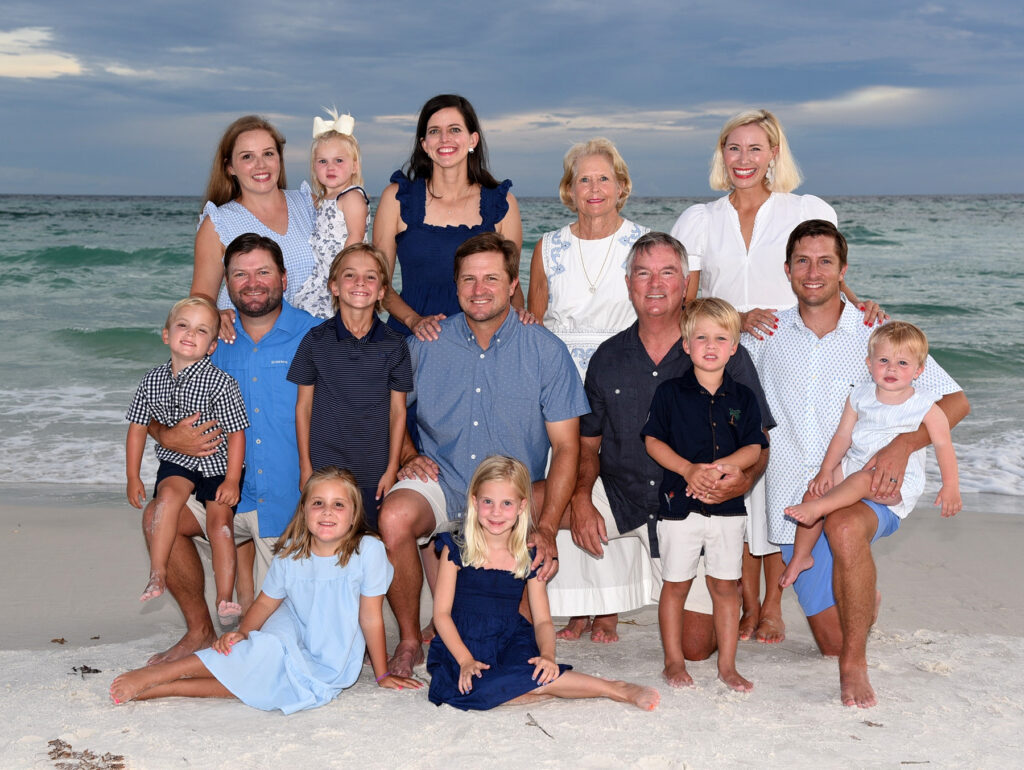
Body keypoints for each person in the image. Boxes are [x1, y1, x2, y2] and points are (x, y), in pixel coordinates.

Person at [670, 108, 884, 645]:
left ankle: (771, 607)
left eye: (755, 149)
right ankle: (746, 603)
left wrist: (864, 311)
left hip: (786, 352)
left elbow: (824, 270)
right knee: (742, 479)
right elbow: (688, 301)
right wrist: (734, 322)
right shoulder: (700, 218)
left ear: (773, 154)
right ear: (721, 155)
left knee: (780, 468)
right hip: (727, 356)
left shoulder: (805, 208)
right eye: (733, 148)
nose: (743, 160)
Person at [742, 219, 969, 708]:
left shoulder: (875, 332)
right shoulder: (766, 333)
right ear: (787, 270)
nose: (813, 271)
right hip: (793, 504)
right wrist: (736, 319)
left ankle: (856, 666)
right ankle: (859, 605)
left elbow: (955, 402)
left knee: (845, 529)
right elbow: (702, 348)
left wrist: (904, 444)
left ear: (843, 270)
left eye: (826, 261)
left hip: (872, 487)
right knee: (829, 640)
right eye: (802, 260)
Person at [378, 232, 589, 677]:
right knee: (394, 517)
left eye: (492, 278)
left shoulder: (544, 350)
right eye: (469, 280)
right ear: (455, 286)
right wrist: (408, 453)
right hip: (446, 478)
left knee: (577, 498)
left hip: (512, 492)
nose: (479, 289)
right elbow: (389, 407)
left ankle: (514, 615)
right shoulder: (428, 342)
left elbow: (568, 446)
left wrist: (547, 525)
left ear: (513, 284)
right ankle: (411, 639)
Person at [564, 232, 775, 658]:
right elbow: (587, 445)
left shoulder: (723, 353)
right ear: (628, 284)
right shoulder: (608, 357)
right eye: (643, 273)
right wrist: (583, 498)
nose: (655, 284)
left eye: (667, 273)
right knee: (522, 508)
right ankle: (509, 620)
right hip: (621, 497)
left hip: (693, 507)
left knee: (697, 649)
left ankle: (694, 584)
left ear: (685, 283)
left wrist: (742, 482)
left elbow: (761, 441)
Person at [109, 467, 422, 711]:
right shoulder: (292, 552)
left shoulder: (367, 551)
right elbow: (265, 604)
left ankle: (166, 689)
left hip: (331, 648)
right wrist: (243, 632)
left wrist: (381, 674)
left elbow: (370, 617)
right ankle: (157, 675)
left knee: (273, 683)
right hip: (290, 626)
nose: (327, 512)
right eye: (318, 503)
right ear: (305, 511)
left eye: (338, 505)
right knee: (260, 651)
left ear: (353, 515)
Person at [144, 233, 319, 666]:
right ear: (226, 282)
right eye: (240, 274)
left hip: (287, 504)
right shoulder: (210, 337)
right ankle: (199, 630)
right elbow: (152, 403)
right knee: (157, 516)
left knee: (275, 646)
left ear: (282, 276)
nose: (252, 282)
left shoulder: (314, 335)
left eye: (263, 272)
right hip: (217, 493)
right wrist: (165, 435)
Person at [526, 137, 652, 642]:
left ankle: (610, 607)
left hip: (622, 371)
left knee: (607, 481)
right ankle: (575, 606)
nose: (594, 188)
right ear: (569, 190)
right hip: (560, 373)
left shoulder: (643, 243)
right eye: (584, 179)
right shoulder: (548, 246)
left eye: (604, 178)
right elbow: (534, 320)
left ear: (621, 187)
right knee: (563, 475)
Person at [427, 456, 660, 711]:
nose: (496, 512)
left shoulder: (528, 555)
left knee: (538, 674)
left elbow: (542, 621)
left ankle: (616, 689)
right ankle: (528, 689)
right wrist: (465, 660)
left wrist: (548, 656)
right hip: (461, 642)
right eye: (488, 502)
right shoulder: (457, 548)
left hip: (509, 640)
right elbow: (441, 615)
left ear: (521, 507)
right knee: (467, 690)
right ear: (474, 502)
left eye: (506, 503)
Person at [641, 298, 768, 692]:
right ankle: (673, 661)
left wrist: (728, 467)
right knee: (675, 583)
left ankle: (727, 666)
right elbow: (652, 441)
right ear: (685, 344)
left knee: (725, 586)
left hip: (728, 510)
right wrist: (688, 470)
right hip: (679, 508)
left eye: (720, 338)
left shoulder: (744, 397)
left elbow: (755, 447)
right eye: (700, 338)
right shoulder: (669, 393)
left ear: (734, 347)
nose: (710, 346)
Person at [780, 322, 962, 587]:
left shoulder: (925, 405)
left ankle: (818, 509)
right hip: (856, 464)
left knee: (861, 481)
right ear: (869, 363)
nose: (891, 368)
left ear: (918, 370)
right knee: (815, 489)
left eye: (902, 363)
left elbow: (944, 445)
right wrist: (826, 471)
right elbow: (843, 436)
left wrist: (951, 486)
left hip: (896, 481)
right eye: (884, 360)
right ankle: (801, 556)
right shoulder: (860, 395)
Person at [124, 297, 249, 624]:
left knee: (219, 522)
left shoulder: (221, 383)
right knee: (166, 501)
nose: (190, 334)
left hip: (218, 464)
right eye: (183, 326)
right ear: (166, 335)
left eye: (202, 330)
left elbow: (237, 434)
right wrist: (133, 476)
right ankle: (158, 572)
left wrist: (233, 479)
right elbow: (137, 428)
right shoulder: (152, 380)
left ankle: (225, 597)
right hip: (176, 459)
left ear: (211, 346)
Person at [372, 94, 523, 339]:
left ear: (472, 139)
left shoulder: (502, 204)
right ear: (424, 144)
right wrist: (415, 321)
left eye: (454, 129)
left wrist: (515, 327)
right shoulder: (397, 199)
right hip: (411, 340)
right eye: (434, 131)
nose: (445, 139)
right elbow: (379, 283)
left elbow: (512, 287)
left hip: (481, 343)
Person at [288, 243, 412, 527]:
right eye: (350, 275)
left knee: (370, 545)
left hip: (374, 468)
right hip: (324, 467)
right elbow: (303, 408)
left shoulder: (395, 345)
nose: (360, 283)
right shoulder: (315, 341)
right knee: (327, 542)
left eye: (370, 277)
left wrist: (392, 468)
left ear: (381, 291)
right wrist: (305, 466)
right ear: (334, 286)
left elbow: (398, 413)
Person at [191, 115, 316, 339]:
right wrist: (215, 316)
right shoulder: (219, 224)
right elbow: (201, 299)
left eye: (268, 153)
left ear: (279, 158)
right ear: (230, 167)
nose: (261, 165)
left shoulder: (309, 204)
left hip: (313, 338)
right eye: (247, 156)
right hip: (248, 341)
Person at [291, 109, 371, 319]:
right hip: (320, 275)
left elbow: (355, 238)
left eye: (339, 161)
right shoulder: (322, 200)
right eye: (323, 162)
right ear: (314, 167)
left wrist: (341, 274)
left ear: (354, 166)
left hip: (340, 273)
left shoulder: (351, 197)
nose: (330, 167)